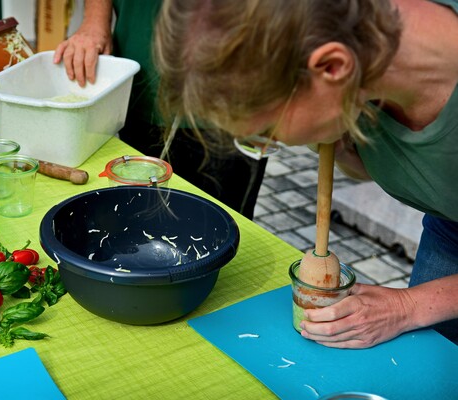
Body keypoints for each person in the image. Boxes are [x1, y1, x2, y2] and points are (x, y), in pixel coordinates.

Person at [153, 0, 458, 348]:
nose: (272, 142)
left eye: (267, 132)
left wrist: (408, 306)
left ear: (331, 66)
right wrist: (343, 147)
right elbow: (413, 167)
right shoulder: (353, 48)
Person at [53, 0, 268, 219]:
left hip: (238, 82)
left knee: (226, 220)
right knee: (139, 213)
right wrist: (95, 20)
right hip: (144, 63)